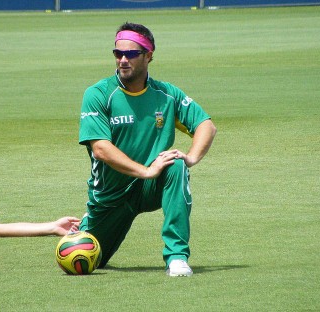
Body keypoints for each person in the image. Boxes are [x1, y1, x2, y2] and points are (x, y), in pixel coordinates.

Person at [78, 22, 216, 277]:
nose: (122, 60)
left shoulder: (166, 95)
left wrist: (192, 157)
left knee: (176, 165)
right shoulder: (98, 94)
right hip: (109, 200)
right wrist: (145, 171)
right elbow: (100, 149)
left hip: (149, 187)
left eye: (131, 54)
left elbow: (205, 125)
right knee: (87, 263)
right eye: (118, 54)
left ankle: (177, 258)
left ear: (148, 56)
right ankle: (83, 227)